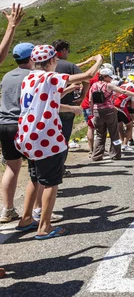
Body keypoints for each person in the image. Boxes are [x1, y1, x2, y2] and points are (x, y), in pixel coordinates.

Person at [15, 46, 103, 239]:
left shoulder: (28, 79)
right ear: (52, 60)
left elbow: (45, 101)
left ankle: (26, 218)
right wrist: (98, 59)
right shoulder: (50, 77)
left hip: (27, 137)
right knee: (51, 183)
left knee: (35, 178)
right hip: (46, 138)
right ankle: (44, 227)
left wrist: (68, 92)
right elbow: (88, 75)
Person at [0, 43, 34, 223]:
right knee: (36, 168)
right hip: (24, 124)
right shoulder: (33, 76)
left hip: (4, 124)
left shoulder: (6, 76)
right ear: (32, 57)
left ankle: (7, 209)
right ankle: (37, 210)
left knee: (12, 167)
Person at [90, 68, 134, 161]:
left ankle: (97, 155)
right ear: (105, 77)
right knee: (114, 134)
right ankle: (115, 154)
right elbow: (123, 91)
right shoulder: (108, 85)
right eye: (110, 77)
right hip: (109, 111)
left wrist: (92, 113)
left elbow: (90, 100)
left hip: (97, 111)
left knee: (100, 134)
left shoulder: (94, 85)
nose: (111, 79)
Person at [52, 40, 90, 175]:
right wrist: (82, 97)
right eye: (67, 51)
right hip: (68, 106)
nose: (68, 53)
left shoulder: (45, 67)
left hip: (47, 109)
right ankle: (60, 167)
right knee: (63, 138)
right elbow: (86, 80)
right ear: (63, 51)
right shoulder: (69, 66)